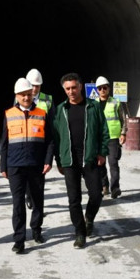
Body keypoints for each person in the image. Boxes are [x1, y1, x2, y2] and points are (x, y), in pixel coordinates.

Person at [52, 72, 109, 249]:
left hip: (90, 158)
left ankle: (89, 218)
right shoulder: (61, 110)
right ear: (64, 90)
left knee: (96, 194)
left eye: (74, 87)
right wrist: (58, 160)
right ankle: (80, 233)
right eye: (67, 89)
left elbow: (104, 131)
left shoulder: (93, 107)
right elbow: (56, 137)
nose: (71, 91)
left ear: (81, 87)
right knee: (73, 199)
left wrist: (102, 152)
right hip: (70, 161)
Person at [0, 78, 54, 254]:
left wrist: (48, 160)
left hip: (36, 164)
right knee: (18, 204)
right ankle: (19, 239)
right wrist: (3, 166)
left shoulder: (41, 113)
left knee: (38, 200)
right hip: (15, 166)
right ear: (16, 95)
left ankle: (36, 230)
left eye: (28, 94)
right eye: (22, 94)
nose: (26, 97)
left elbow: (49, 141)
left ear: (33, 94)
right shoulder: (9, 114)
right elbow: (4, 143)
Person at [24, 68, 53, 211]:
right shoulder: (20, 97)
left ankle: (38, 208)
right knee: (27, 176)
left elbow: (53, 123)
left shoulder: (48, 100)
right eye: (32, 85)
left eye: (37, 85)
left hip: (41, 145)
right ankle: (28, 195)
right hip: (25, 144)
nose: (35, 88)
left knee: (39, 179)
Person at [95, 76, 128, 199]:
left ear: (109, 88)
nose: (102, 90)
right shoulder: (94, 104)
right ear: (97, 90)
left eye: (105, 87)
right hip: (99, 139)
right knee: (100, 164)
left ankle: (115, 188)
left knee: (113, 163)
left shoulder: (116, 102)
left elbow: (123, 119)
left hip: (113, 137)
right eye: (100, 88)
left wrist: (123, 133)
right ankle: (105, 186)